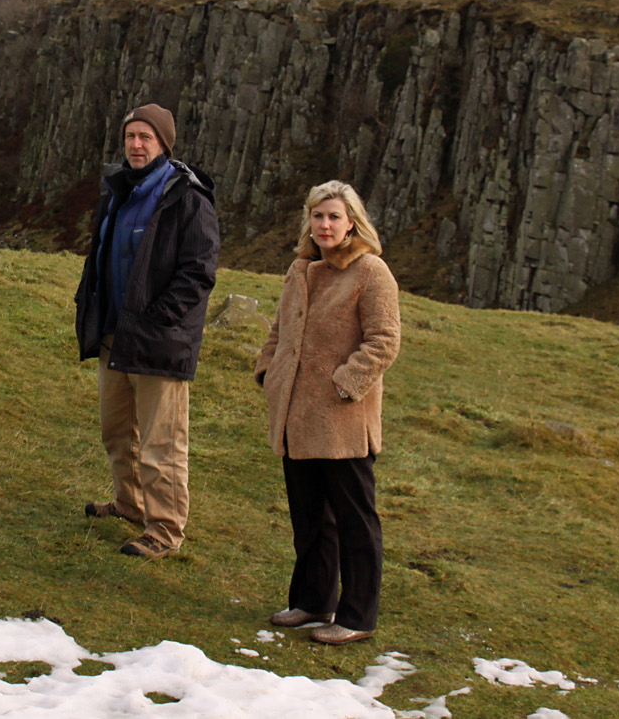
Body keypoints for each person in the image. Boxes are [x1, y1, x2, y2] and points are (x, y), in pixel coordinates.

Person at [254, 180, 401, 645]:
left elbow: (384, 341)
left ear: (353, 221)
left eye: (334, 216)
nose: (325, 225)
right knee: (310, 517)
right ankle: (312, 601)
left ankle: (357, 616)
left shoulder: (371, 272)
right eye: (317, 216)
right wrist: (268, 371)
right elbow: (280, 331)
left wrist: (344, 384)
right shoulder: (301, 269)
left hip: (343, 420)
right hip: (296, 417)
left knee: (355, 520)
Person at [74, 104, 219, 558]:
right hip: (115, 335)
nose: (136, 145)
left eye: (146, 138)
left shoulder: (186, 197)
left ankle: (165, 530)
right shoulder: (118, 190)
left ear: (164, 144)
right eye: (131, 136)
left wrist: (158, 320)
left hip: (158, 341)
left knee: (162, 443)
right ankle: (129, 504)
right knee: (117, 431)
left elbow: (198, 272)